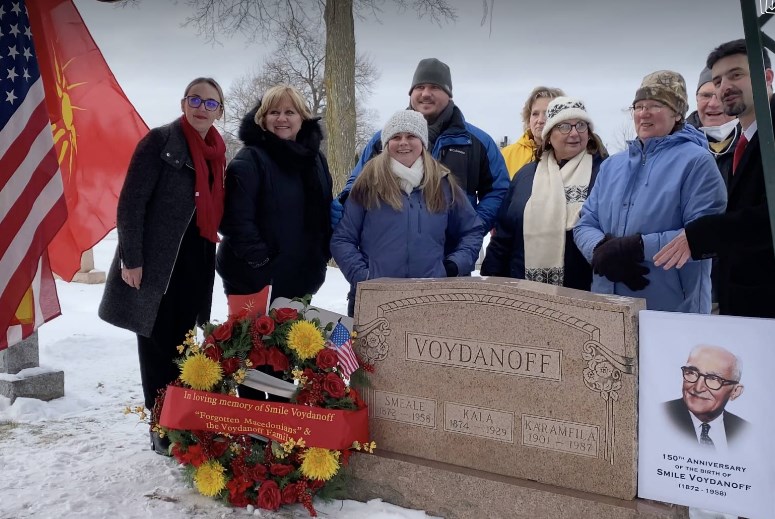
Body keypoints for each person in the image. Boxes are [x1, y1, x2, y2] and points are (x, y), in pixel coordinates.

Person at [99, 77, 226, 455]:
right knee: (156, 343)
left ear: (220, 110)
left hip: (196, 261)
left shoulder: (217, 153)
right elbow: (131, 204)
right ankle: (160, 427)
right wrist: (131, 259)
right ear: (183, 101)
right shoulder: (159, 141)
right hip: (156, 262)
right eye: (195, 99)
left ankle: (182, 422)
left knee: (185, 344)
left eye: (211, 103)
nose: (202, 108)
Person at [574, 70, 727, 313]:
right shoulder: (613, 165)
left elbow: (702, 234)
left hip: (673, 309)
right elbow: (585, 223)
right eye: (638, 106)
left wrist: (636, 248)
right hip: (608, 306)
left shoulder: (696, 162)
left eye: (655, 105)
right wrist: (602, 250)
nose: (643, 113)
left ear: (677, 113)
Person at [654, 40, 775, 319]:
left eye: (736, 75)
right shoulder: (750, 137)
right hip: (746, 301)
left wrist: (699, 234)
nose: (724, 87)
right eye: (718, 80)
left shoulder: (768, 136)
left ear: (766, 77)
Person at [330, 110, 483, 317]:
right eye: (396, 137)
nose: (404, 143)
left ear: (422, 142)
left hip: (430, 301)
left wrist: (453, 266)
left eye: (411, 136)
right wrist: (364, 276)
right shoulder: (367, 183)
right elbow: (342, 239)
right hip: (375, 300)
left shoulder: (443, 184)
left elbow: (471, 231)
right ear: (386, 143)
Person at [332, 58, 509, 233]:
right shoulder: (383, 140)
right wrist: (343, 205)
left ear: (448, 94)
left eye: (435, 87)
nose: (425, 93)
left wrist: (474, 227)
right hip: (391, 248)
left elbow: (498, 191)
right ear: (411, 93)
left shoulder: (477, 142)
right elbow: (357, 184)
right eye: (420, 87)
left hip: (454, 254)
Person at [216, 84, 333, 305]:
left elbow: (324, 212)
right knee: (255, 340)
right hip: (254, 280)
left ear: (302, 118)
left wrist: (321, 254)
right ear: (263, 118)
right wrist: (261, 263)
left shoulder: (316, 160)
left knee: (295, 340)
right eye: (274, 112)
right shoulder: (250, 159)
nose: (282, 119)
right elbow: (236, 221)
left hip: (301, 278)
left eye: (290, 112)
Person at [481, 97, 607, 290]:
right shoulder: (525, 177)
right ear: (549, 135)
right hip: (525, 288)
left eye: (581, 125)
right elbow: (504, 236)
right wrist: (491, 279)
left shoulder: (604, 173)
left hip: (585, 290)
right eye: (564, 126)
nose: (574, 133)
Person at [664, 345, 748, 452]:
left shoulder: (742, 429)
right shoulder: (663, 415)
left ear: (735, 391)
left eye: (713, 378)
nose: (698, 388)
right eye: (692, 373)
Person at [686, 67, 740, 183]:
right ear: (696, 98)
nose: (713, 104)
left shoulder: (756, 140)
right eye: (706, 95)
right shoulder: (678, 142)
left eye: (722, 95)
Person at [500, 86, 565, 179]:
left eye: (547, 114)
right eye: (535, 114)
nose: (540, 120)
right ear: (528, 118)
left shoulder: (570, 153)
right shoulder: (506, 155)